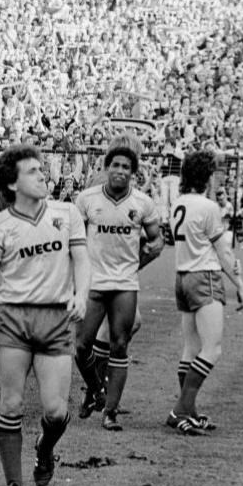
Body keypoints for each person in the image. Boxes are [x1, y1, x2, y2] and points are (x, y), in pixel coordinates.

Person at [0, 144, 90, 486]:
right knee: (11, 403)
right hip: (14, 319)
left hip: (56, 319)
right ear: (12, 183)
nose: (44, 175)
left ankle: (45, 448)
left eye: (43, 169)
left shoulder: (67, 212)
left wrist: (81, 295)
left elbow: (82, 259)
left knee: (55, 411)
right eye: (33, 171)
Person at [73, 133, 163, 431]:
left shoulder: (143, 203)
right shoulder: (87, 199)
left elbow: (157, 241)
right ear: (107, 166)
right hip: (93, 283)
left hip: (124, 284)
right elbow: (72, 238)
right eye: (117, 165)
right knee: (81, 346)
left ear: (133, 172)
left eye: (127, 167)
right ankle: (96, 391)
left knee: (120, 344)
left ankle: (109, 411)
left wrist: (135, 265)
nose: (121, 171)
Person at [166, 149, 243, 436]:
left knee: (191, 347)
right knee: (213, 348)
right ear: (208, 175)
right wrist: (239, 285)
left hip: (182, 276)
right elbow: (223, 252)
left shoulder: (179, 202)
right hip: (204, 276)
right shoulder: (208, 207)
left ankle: (189, 411)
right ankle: (180, 410)